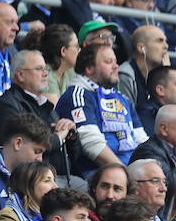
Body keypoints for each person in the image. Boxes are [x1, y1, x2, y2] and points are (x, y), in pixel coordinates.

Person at [57, 39, 147, 176]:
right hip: (97, 176)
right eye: (108, 62)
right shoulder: (78, 95)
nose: (116, 66)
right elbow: (92, 144)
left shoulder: (123, 99)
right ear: (89, 68)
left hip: (131, 173)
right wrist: (125, 176)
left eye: (115, 61)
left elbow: (142, 141)